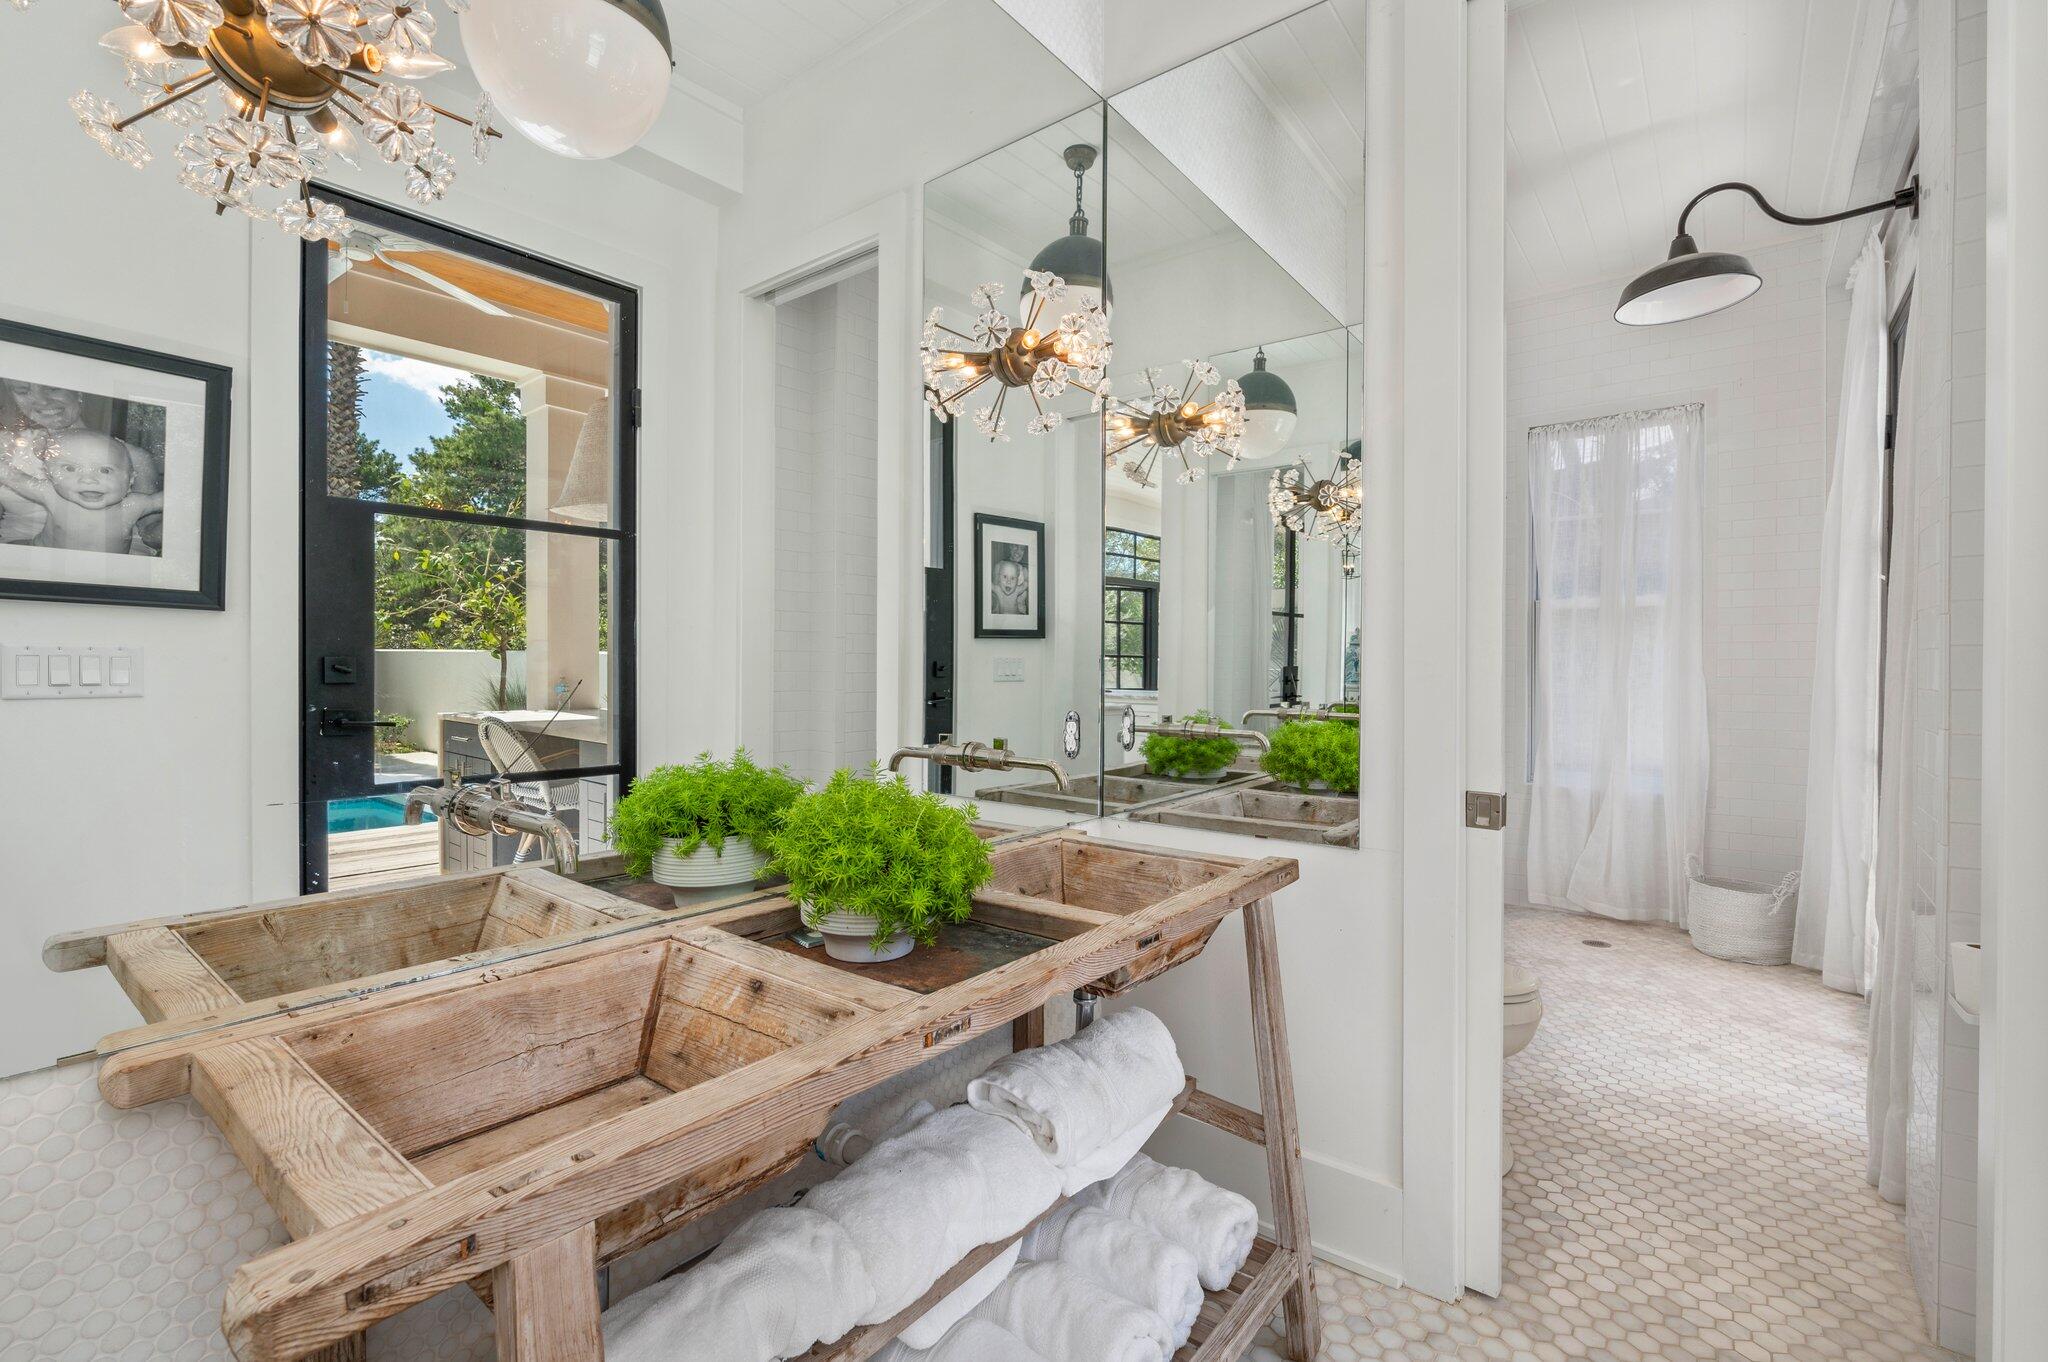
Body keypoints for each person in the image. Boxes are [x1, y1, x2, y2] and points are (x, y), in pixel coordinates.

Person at [0, 428, 161, 554]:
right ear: (49, 475)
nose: (88, 480)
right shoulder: (51, 494)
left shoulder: (134, 505)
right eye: (70, 468)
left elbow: (173, 499)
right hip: (49, 559)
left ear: (130, 479)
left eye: (105, 470)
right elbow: (12, 477)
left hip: (106, 569)